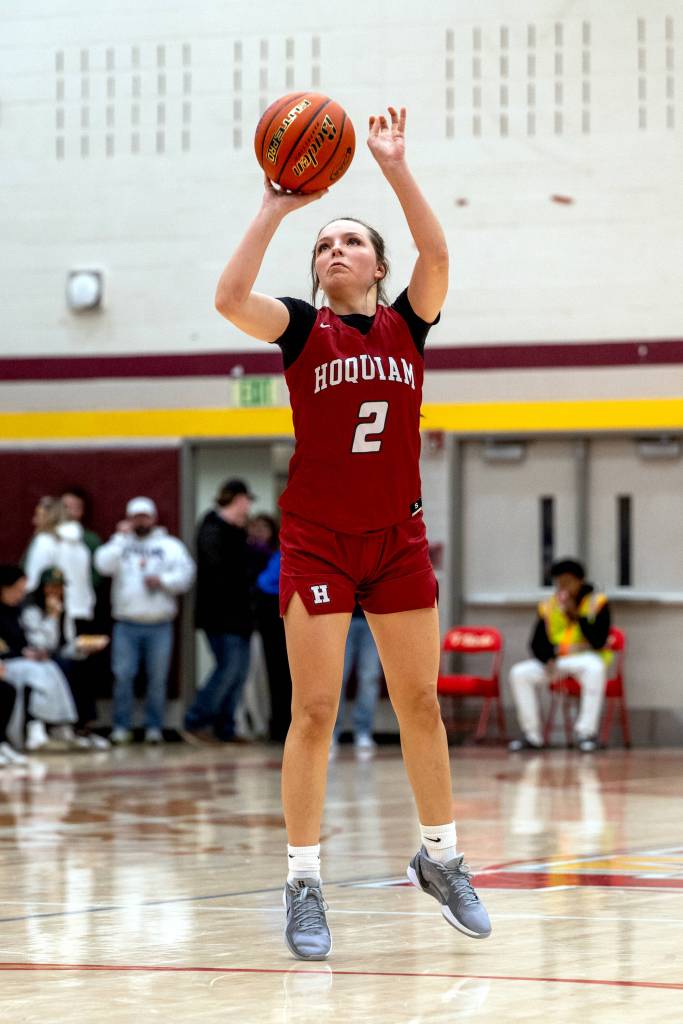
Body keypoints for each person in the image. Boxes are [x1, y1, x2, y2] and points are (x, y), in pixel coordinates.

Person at [213, 106, 491, 960]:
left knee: (418, 705)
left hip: (397, 539)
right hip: (320, 540)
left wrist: (395, 169)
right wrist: (275, 207)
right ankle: (303, 880)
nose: (334, 251)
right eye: (323, 244)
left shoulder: (410, 322)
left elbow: (438, 257)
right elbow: (228, 300)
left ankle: (439, 858)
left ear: (377, 264)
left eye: (350, 242)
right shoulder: (300, 327)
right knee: (315, 710)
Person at [94, 497, 195, 744]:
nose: (140, 521)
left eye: (145, 516)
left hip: (159, 624)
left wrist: (163, 581)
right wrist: (119, 539)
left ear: (153, 518)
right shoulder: (120, 545)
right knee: (123, 676)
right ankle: (121, 726)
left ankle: (154, 727)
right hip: (126, 624)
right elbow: (102, 565)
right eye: (135, 517)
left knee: (157, 678)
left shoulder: (170, 545)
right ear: (129, 519)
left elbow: (186, 575)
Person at [508, 558, 612, 755]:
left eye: (568, 582)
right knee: (519, 673)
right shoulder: (549, 605)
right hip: (556, 661)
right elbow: (536, 642)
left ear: (579, 581)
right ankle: (532, 736)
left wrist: (577, 615)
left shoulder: (597, 602)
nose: (563, 587)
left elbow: (599, 639)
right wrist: (547, 658)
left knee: (596, 669)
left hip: (585, 658)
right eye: (559, 582)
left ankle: (585, 734)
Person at [184, 479, 255, 743]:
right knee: (227, 669)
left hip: (242, 617)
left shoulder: (237, 531)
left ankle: (226, 726)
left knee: (239, 673)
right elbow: (222, 573)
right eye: (246, 500)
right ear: (237, 499)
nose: (248, 507)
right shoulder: (213, 528)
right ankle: (196, 720)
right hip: (221, 615)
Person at [21, 567, 111, 749]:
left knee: (85, 666)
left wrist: (83, 647)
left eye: (59, 587)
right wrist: (52, 618)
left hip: (58, 655)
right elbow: (40, 642)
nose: (55, 592)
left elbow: (66, 642)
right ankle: (58, 723)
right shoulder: (31, 610)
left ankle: (84, 726)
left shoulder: (64, 610)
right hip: (37, 657)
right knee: (64, 667)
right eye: (51, 587)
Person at [0, 564, 78, 751]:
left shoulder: (15, 611)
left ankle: (58, 724)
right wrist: (22, 653)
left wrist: (30, 652)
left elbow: (22, 641)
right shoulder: (25, 610)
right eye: (16, 590)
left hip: (18, 660)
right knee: (36, 673)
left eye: (22, 591)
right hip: (7, 663)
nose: (20, 595)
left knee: (50, 667)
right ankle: (35, 727)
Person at [23, 496, 96, 629]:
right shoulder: (80, 544)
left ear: (49, 516)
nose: (34, 520)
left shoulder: (45, 540)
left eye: (38, 515)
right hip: (82, 608)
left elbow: (32, 580)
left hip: (54, 613)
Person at [251, 517, 292, 743]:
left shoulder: (283, 555)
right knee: (274, 676)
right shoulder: (262, 556)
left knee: (286, 677)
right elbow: (264, 583)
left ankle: (284, 726)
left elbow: (266, 583)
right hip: (269, 623)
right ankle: (278, 726)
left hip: (284, 621)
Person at [330, 605, 381, 756]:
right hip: (340, 614)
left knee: (369, 677)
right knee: (337, 677)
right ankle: (331, 731)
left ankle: (363, 731)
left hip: (373, 616)